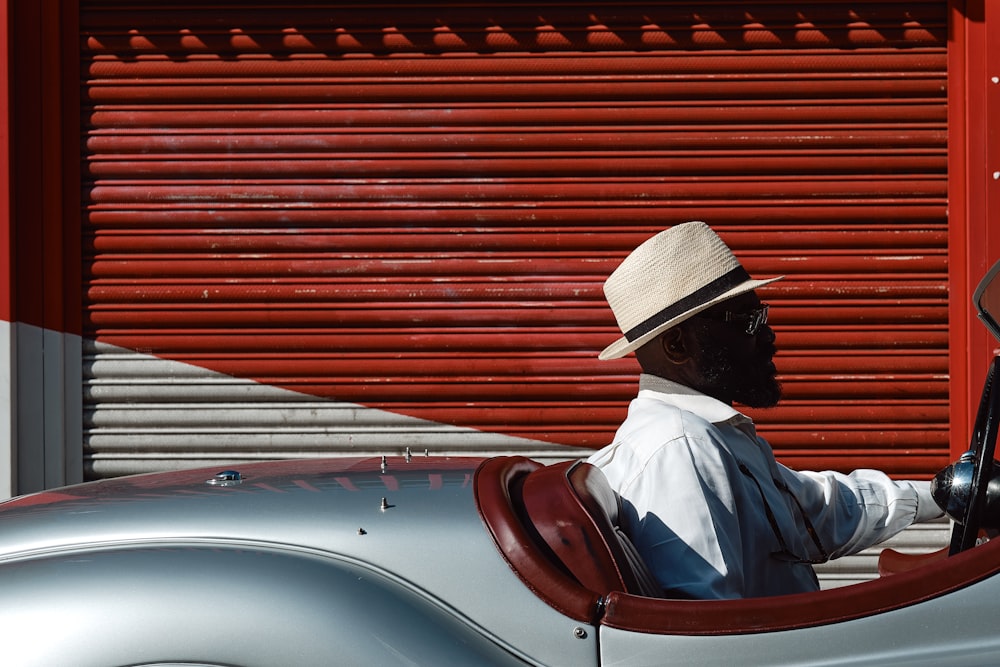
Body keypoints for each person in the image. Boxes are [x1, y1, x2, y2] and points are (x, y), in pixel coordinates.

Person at [587, 221, 944, 599]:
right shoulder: (681, 448)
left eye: (763, 316)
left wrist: (943, 494)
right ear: (677, 345)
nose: (767, 335)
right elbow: (706, 629)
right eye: (747, 321)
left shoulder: (712, 434)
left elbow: (818, 509)